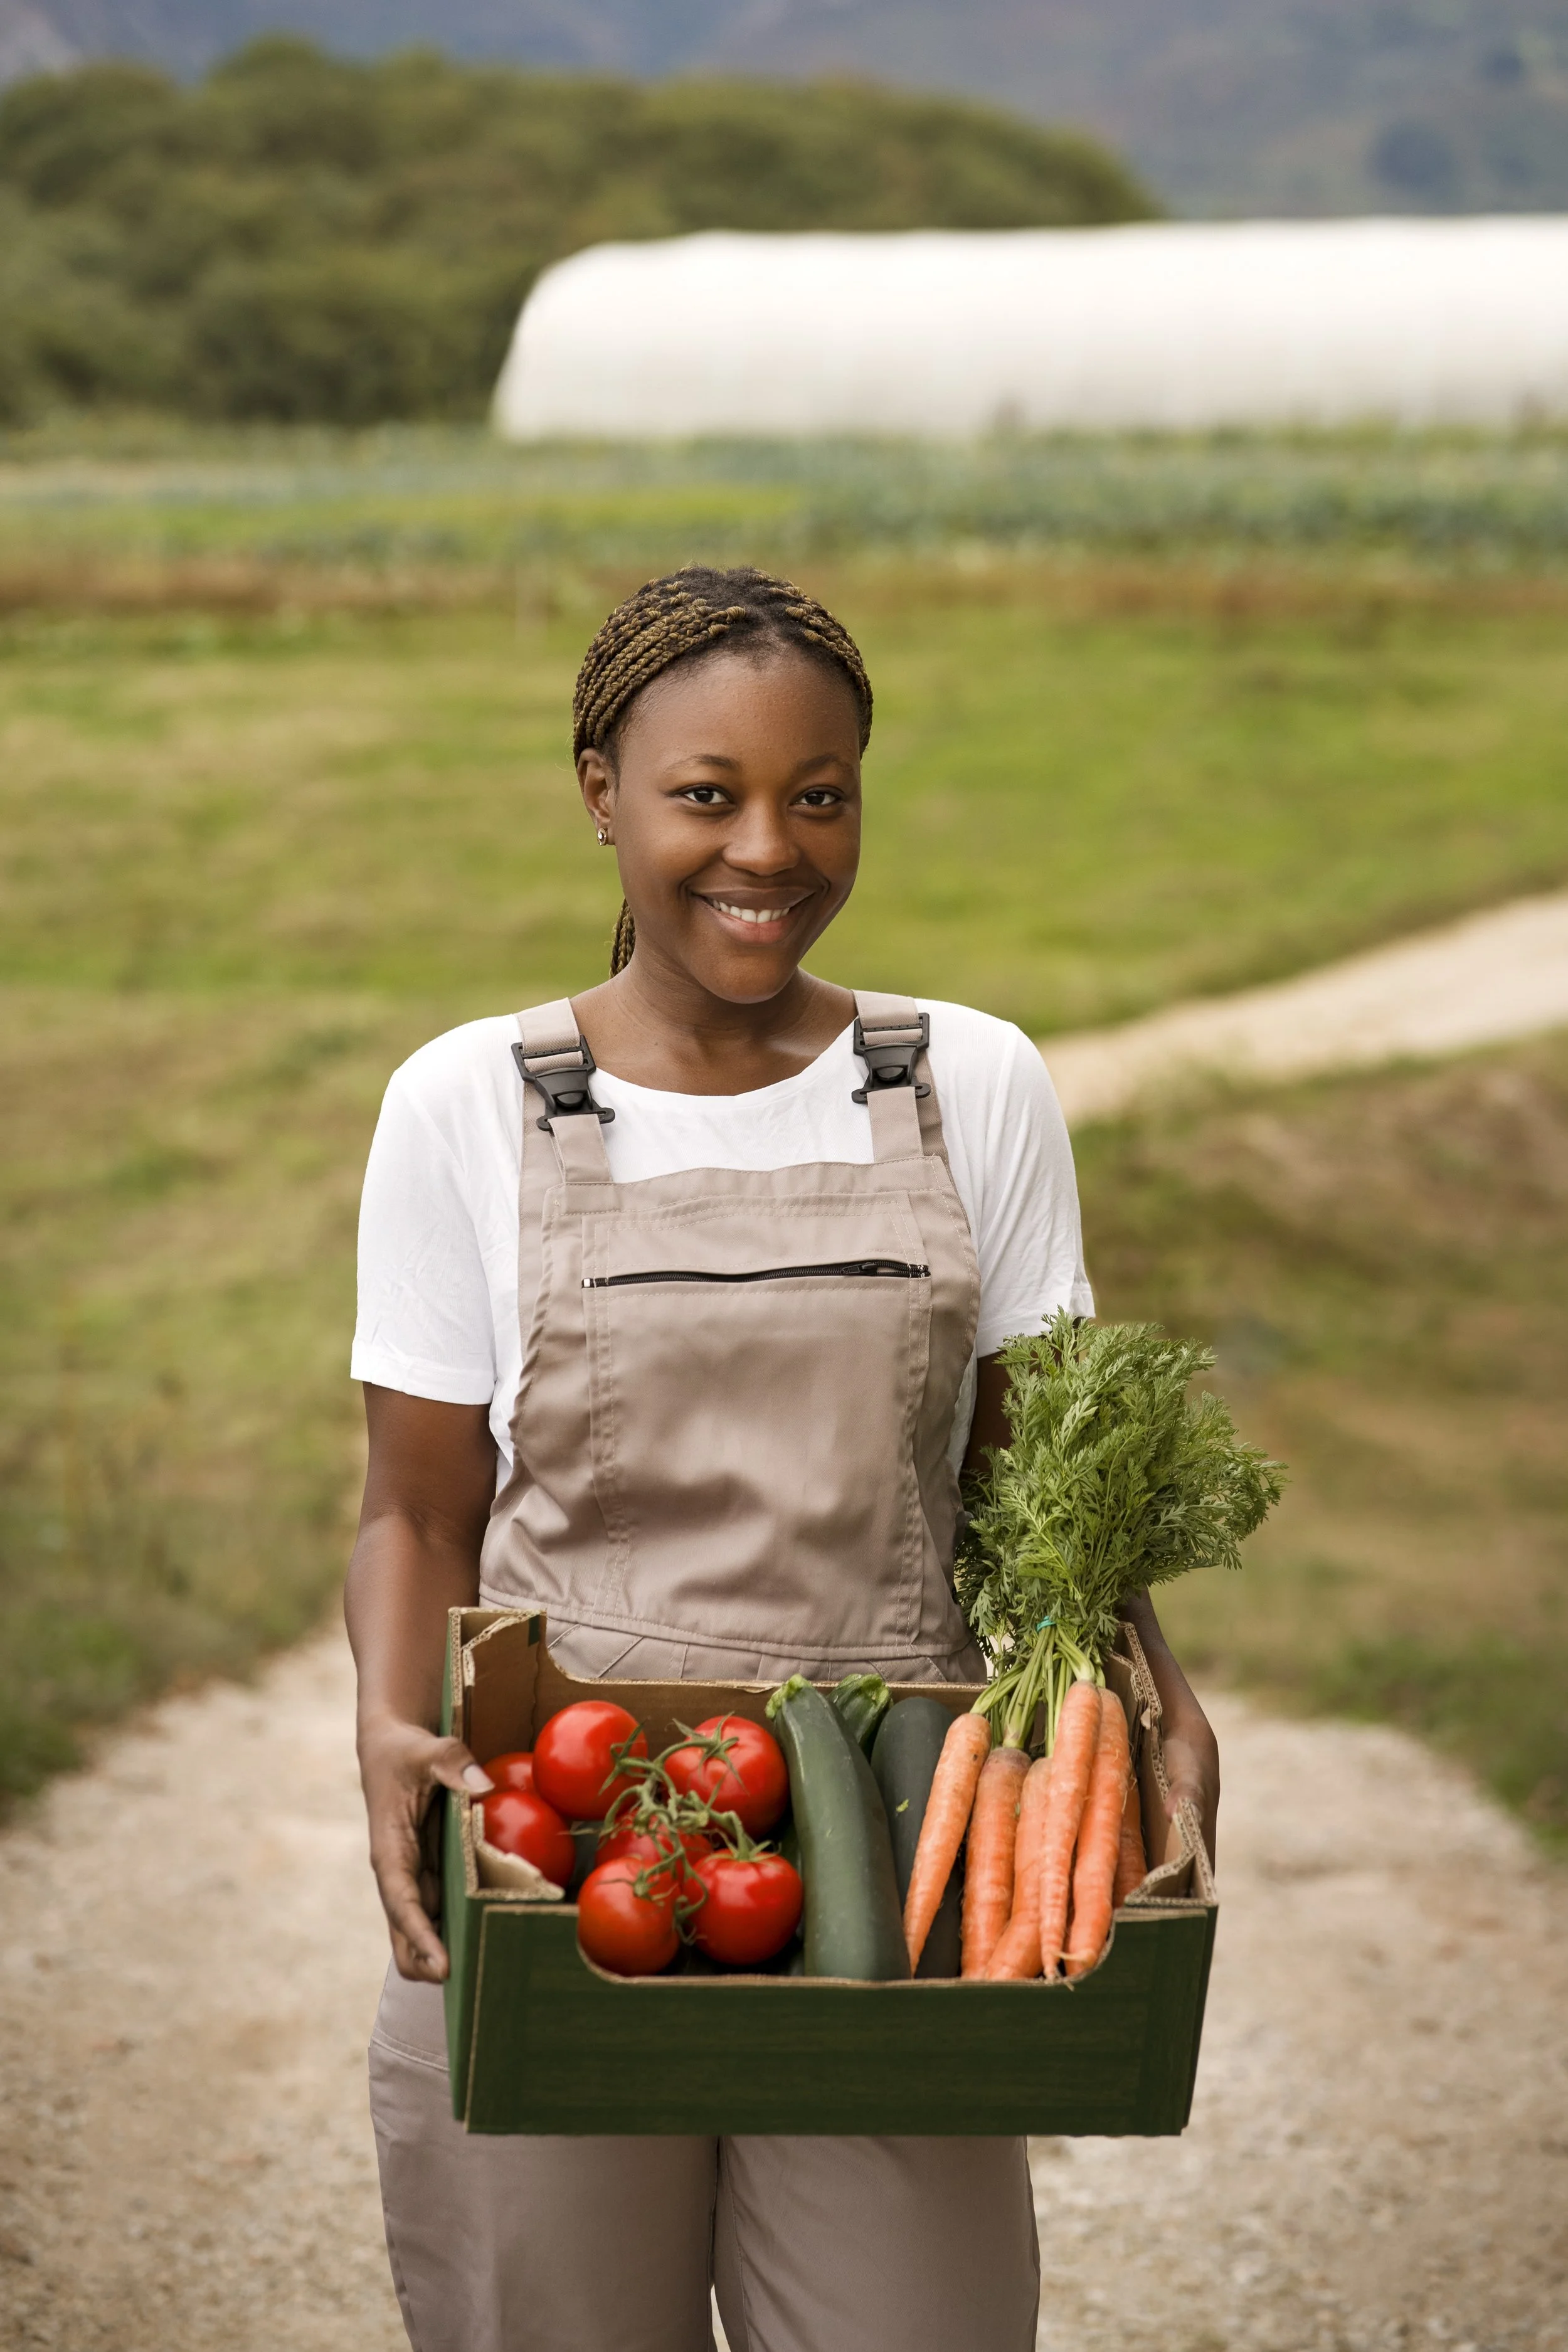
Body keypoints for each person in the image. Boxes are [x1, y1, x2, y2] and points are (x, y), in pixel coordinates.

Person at [346, 566, 1219, 2352]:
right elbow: (419, 1505)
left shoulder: (964, 1080)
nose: (769, 847)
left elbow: (1034, 1487)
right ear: (599, 789)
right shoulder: (468, 1101)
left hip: (896, 1834)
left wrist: (1150, 1683)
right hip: (568, 1831)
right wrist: (385, 1721)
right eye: (705, 793)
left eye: (818, 795)